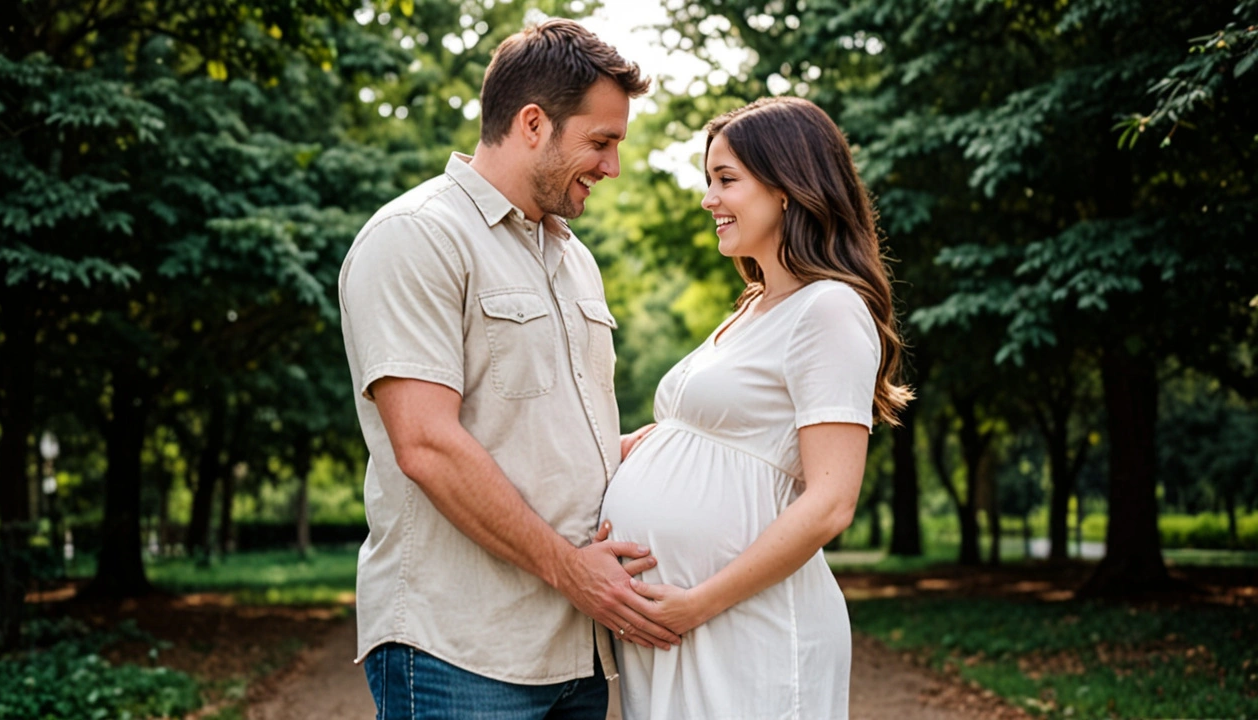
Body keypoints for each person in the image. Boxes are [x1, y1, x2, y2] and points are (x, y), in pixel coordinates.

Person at [339, 19, 678, 720]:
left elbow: (527, 434)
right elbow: (426, 445)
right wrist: (572, 571)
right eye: (602, 141)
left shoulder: (573, 257)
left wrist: (641, 456)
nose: (613, 165)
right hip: (457, 651)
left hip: (576, 651)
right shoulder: (417, 237)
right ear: (532, 123)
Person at [599, 97, 913, 720]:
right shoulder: (753, 306)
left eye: (726, 180)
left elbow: (831, 503)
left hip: (745, 625)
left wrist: (700, 602)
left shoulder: (829, 309)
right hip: (685, 628)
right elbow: (700, 437)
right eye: (707, 181)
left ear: (790, 188)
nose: (708, 199)